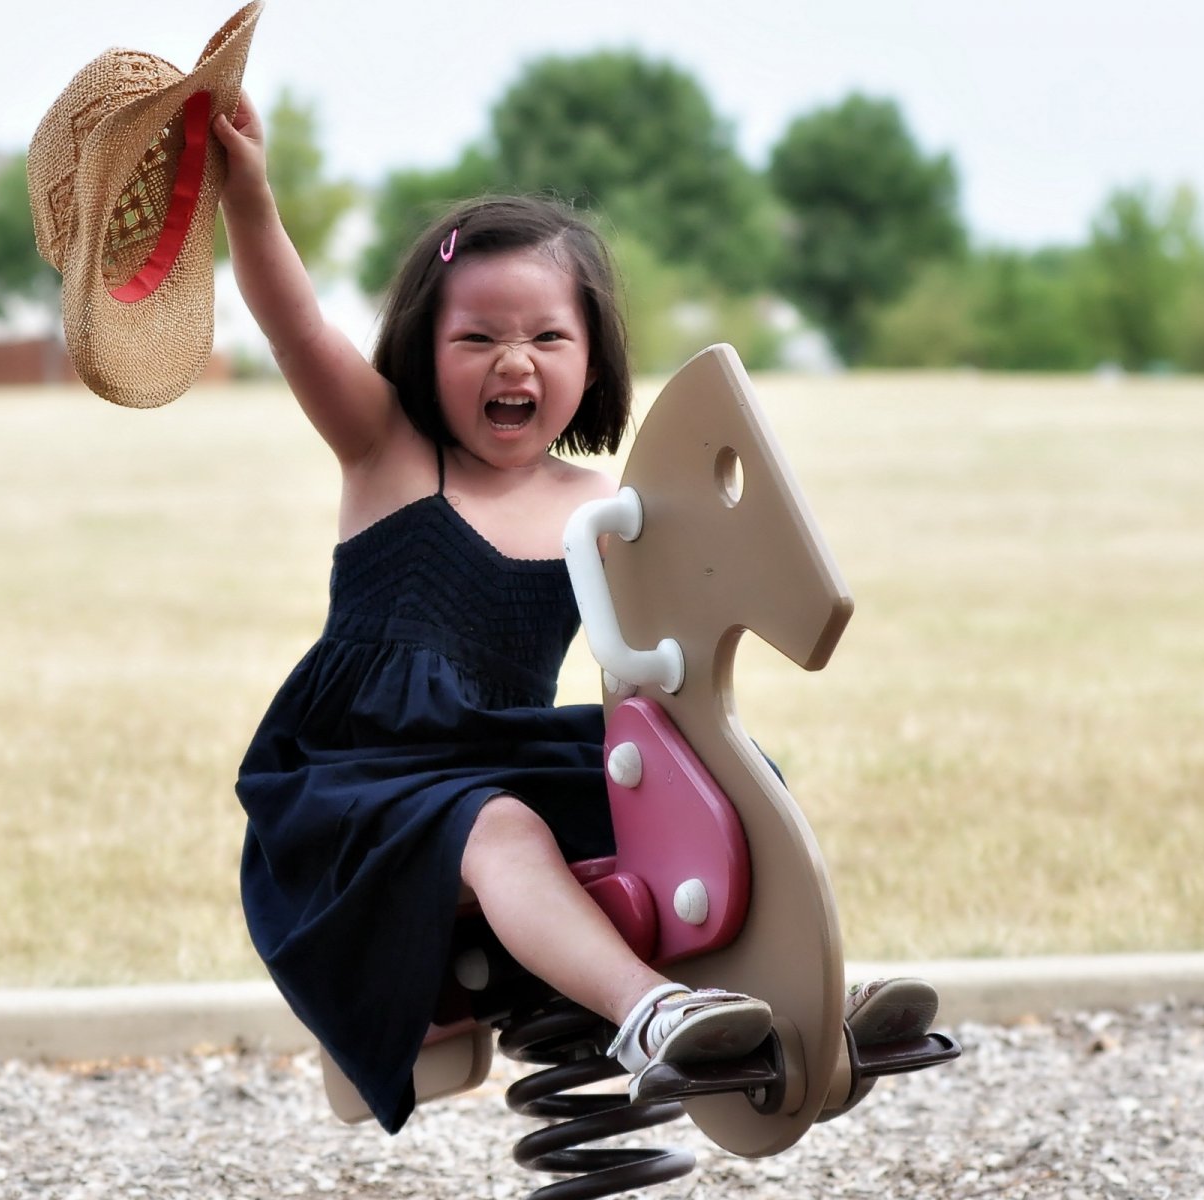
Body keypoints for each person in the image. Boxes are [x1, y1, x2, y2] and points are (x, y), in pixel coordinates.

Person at [214, 94, 934, 1135]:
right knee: (499, 827)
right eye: (479, 337)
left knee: (731, 784)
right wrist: (249, 197)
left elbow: (662, 653)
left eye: (549, 336)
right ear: (424, 347)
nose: (516, 361)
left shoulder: (603, 511)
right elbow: (292, 321)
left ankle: (811, 1003)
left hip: (498, 754)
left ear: (592, 360)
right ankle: (648, 1015)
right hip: (356, 779)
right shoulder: (392, 453)